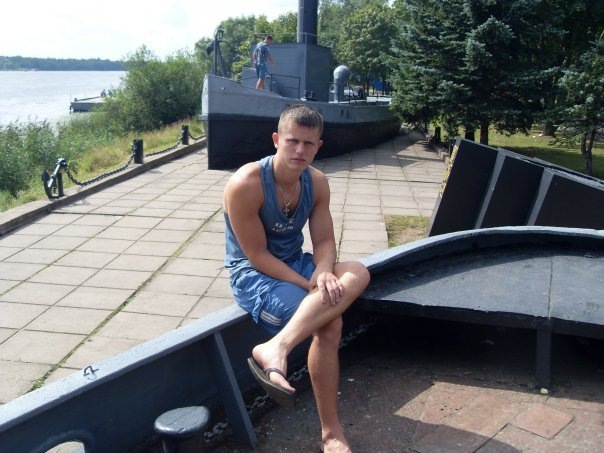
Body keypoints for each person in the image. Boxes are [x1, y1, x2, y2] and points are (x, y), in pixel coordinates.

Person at [223, 104, 370, 452]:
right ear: (277, 140)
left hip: (296, 263)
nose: (299, 150)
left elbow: (324, 242)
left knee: (358, 272)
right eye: (292, 141)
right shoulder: (246, 184)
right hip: (255, 275)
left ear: (319, 146)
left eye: (308, 143)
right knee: (329, 324)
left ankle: (277, 347)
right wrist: (310, 284)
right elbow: (257, 255)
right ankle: (332, 434)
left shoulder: (316, 182)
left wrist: (323, 270)